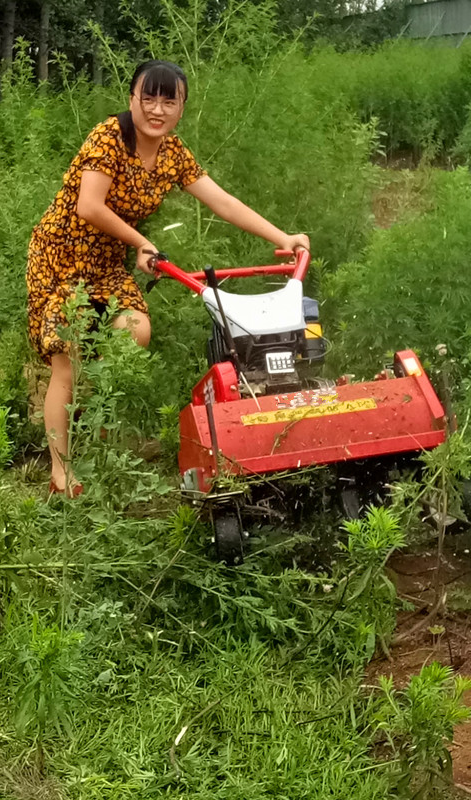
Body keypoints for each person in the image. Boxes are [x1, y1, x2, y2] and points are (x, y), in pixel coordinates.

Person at [27, 59, 310, 496]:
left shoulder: (173, 153)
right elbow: (89, 206)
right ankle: (61, 471)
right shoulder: (108, 138)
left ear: (181, 108)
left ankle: (92, 425)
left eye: (169, 100)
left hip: (105, 264)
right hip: (61, 258)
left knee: (134, 332)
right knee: (69, 356)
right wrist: (141, 242)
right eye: (148, 97)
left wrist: (284, 236)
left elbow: (224, 203)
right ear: (132, 99)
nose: (157, 110)